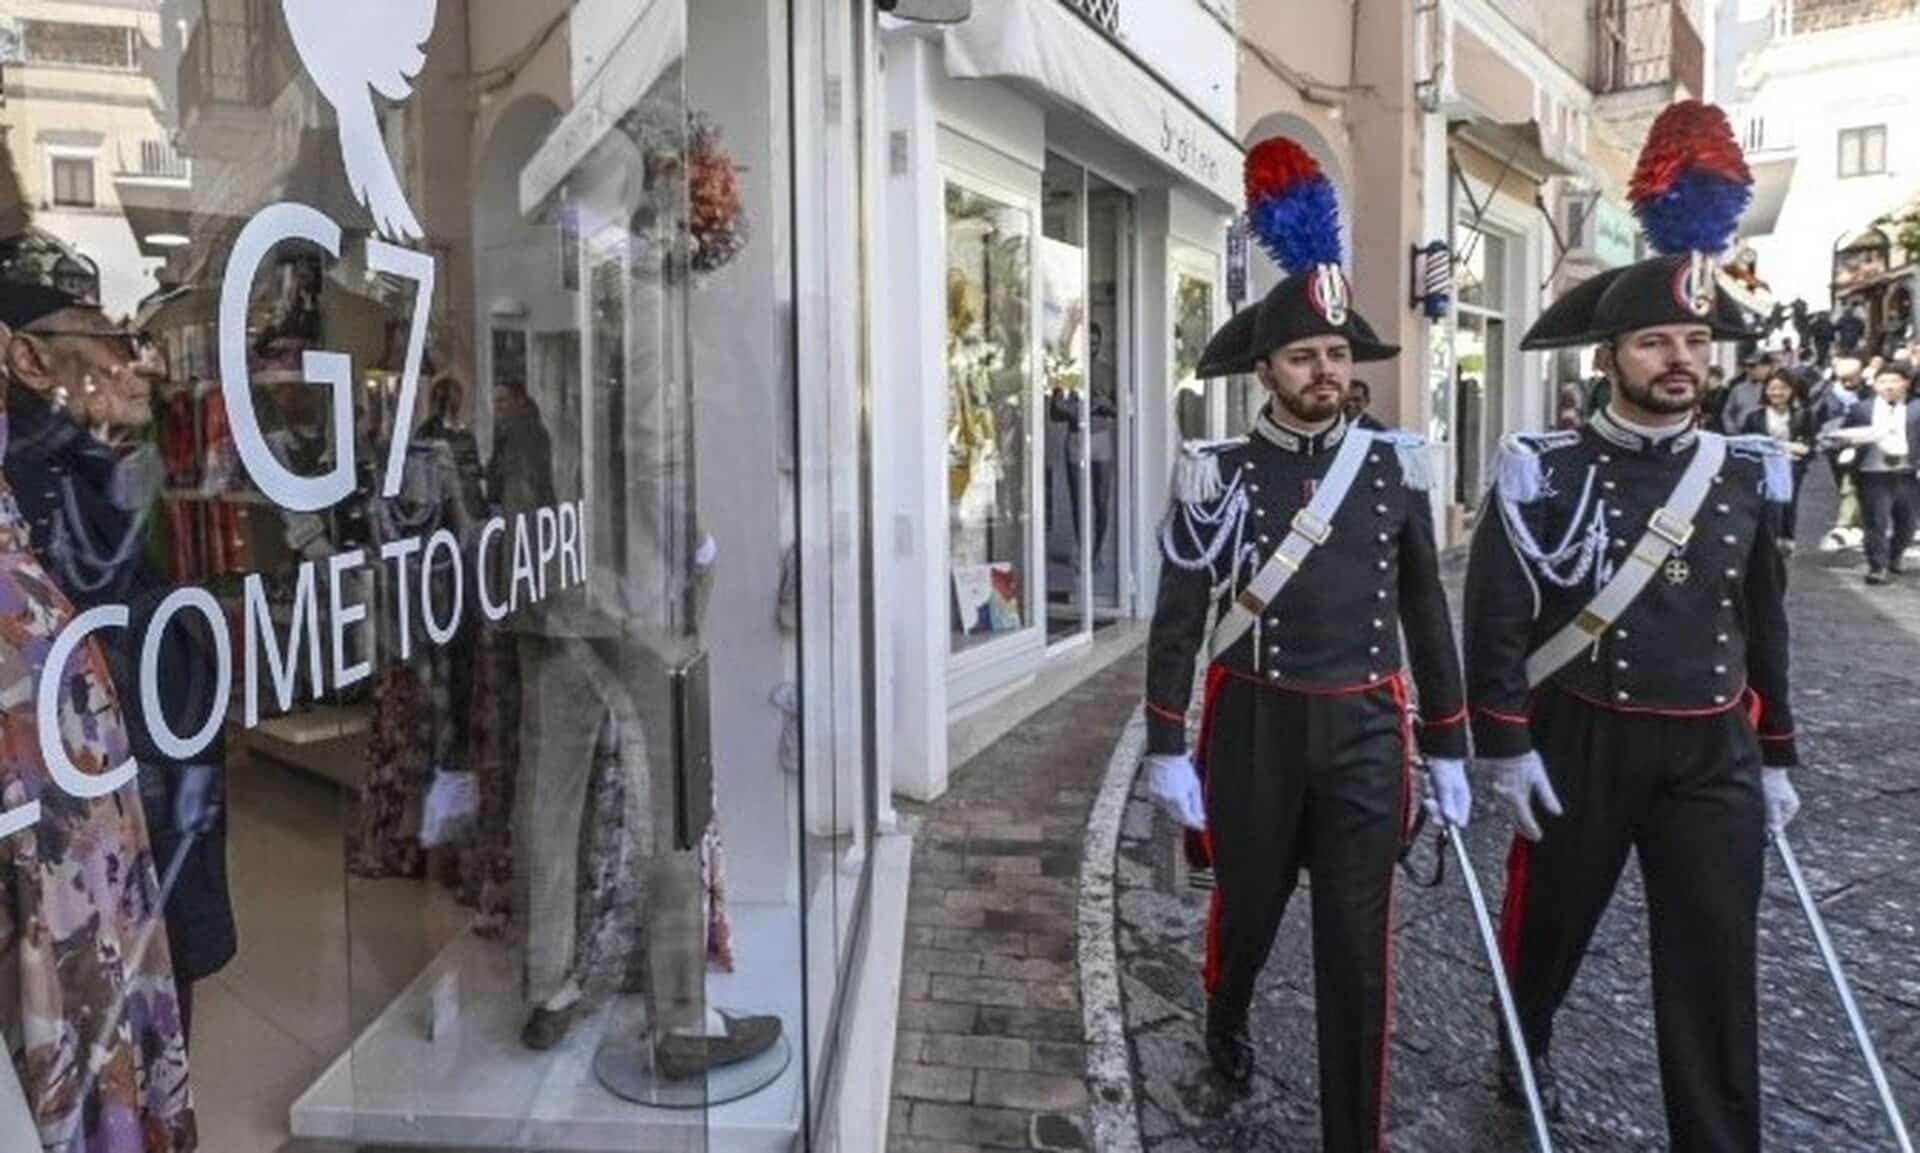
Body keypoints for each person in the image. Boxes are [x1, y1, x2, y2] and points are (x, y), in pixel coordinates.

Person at [1464, 100, 1800, 1153]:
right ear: (1609, 354)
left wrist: (1777, 750)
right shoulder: (1544, 470)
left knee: (1714, 959)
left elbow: (1764, 619)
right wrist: (1504, 744)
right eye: (1656, 339)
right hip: (1586, 733)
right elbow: (1498, 615)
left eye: (1696, 340)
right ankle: (1525, 1043)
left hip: (1710, 745)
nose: (1681, 358)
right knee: (1547, 933)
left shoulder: (1748, 475)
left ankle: (1716, 1133)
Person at [1142, 137, 1468, 1153]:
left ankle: (1351, 1137)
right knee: (1246, 916)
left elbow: (1426, 608)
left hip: (1368, 726)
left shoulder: (1397, 467)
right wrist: (1164, 742)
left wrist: (1450, 743)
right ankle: (1226, 1011)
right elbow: (1181, 612)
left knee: (1357, 953)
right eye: (1302, 357)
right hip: (1253, 725)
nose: (1324, 371)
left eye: (1337, 355)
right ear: (1266, 369)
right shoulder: (1217, 470)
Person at [0, 268, 234, 1043]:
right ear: (29, 360)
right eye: (114, 339)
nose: (147, 362)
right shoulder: (31, 504)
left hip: (144, 851)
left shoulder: (92, 478)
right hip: (106, 869)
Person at [1824, 361, 1920, 583]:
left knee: (1908, 524)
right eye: (1882, 382)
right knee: (1876, 521)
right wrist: (1848, 445)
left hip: (1907, 473)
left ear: (1906, 383)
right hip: (1873, 472)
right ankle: (1877, 566)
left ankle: (1894, 555)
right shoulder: (1862, 409)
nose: (1888, 386)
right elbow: (1844, 435)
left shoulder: (1916, 408)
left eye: (1894, 381)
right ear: (1875, 385)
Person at [1740, 372, 1815, 553]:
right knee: (1765, 504)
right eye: (1772, 388)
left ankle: (1786, 539)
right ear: (1765, 391)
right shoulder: (1755, 417)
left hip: (1791, 466)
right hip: (1763, 466)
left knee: (1788, 502)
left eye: (1783, 388)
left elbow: (1810, 444)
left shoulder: (1802, 415)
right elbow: (1746, 442)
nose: (1777, 393)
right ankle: (1765, 539)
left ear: (1791, 391)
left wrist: (1801, 452)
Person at [1717, 350, 1769, 434]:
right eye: (1746, 366)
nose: (1748, 369)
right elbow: (1727, 413)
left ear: (1766, 367)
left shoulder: (1775, 389)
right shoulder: (1737, 389)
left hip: (1766, 434)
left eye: (1753, 366)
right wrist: (1731, 429)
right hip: (1740, 434)